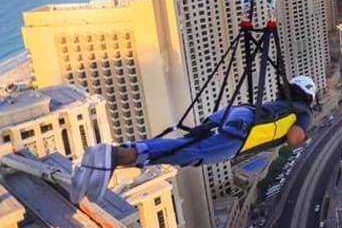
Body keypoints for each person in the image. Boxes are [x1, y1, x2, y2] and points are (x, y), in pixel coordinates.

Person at [71, 75, 318, 204]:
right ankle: (117, 154)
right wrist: (302, 138)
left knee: (185, 143)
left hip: (236, 113)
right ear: (309, 97)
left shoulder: (282, 102)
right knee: (190, 153)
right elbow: (294, 137)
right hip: (243, 131)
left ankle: (105, 160)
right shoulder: (304, 111)